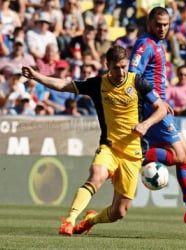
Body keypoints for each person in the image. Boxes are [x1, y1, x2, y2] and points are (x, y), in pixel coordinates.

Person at [22, 45, 167, 236]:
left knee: (119, 212)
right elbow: (64, 85)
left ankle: (91, 220)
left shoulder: (137, 82)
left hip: (133, 154)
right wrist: (37, 76)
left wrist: (145, 125)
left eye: (124, 67)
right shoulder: (98, 84)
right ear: (107, 66)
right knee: (96, 176)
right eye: (116, 68)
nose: (121, 72)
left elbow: (162, 108)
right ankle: (69, 221)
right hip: (110, 147)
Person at [129, 6, 186, 228]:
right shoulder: (145, 44)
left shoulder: (158, 43)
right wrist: (156, 100)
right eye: (158, 24)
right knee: (180, 156)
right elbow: (133, 76)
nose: (163, 28)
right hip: (153, 109)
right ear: (149, 23)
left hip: (160, 109)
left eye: (166, 24)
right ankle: (137, 155)